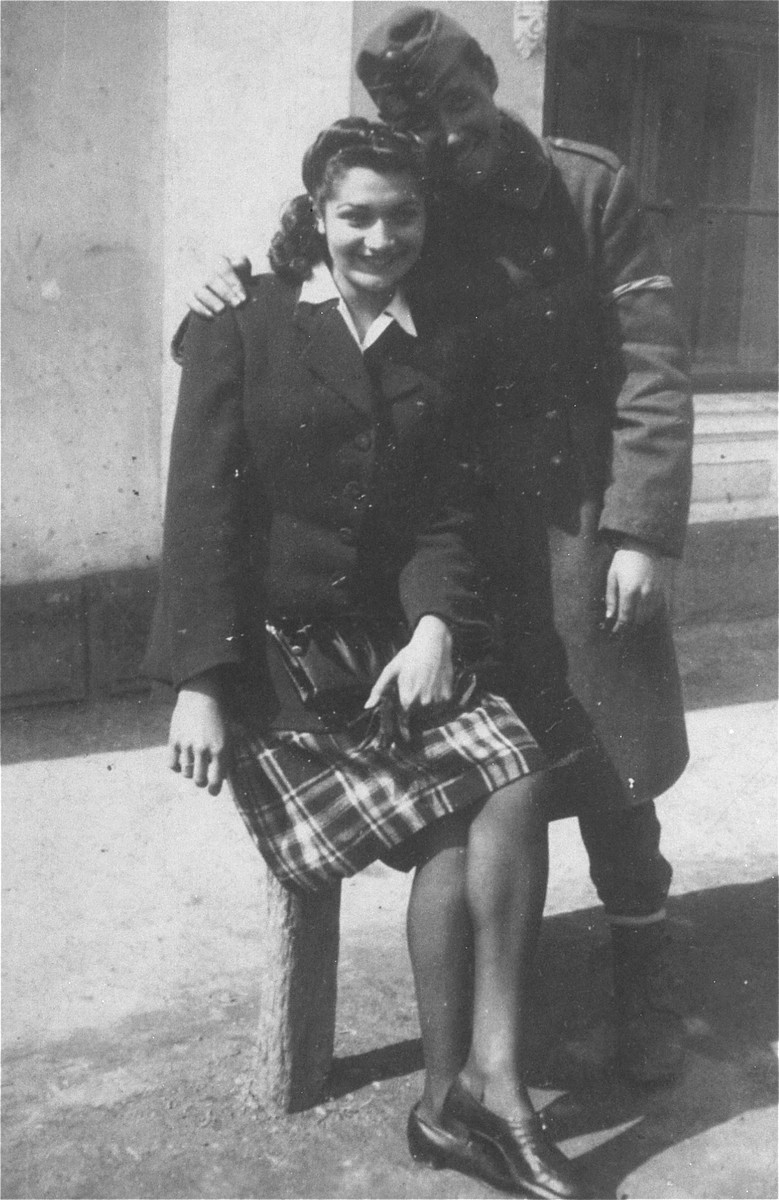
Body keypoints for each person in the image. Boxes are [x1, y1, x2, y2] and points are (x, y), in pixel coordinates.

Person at [184, 7, 695, 1087]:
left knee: (610, 760)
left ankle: (645, 982)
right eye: (427, 122)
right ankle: (480, 1022)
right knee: (501, 767)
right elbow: (292, 277)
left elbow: (651, 360)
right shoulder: (417, 201)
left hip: (575, 521)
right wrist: (211, 292)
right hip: (457, 530)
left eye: (462, 104)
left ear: (486, 80)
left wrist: (640, 529)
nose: (454, 135)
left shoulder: (586, 186)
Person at [145, 119, 596, 1198]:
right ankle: (461, 1098)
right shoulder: (243, 322)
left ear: (425, 219)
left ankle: (480, 1083)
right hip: (276, 668)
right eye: (356, 214)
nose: (379, 237)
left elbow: (447, 510)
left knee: (513, 773)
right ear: (317, 211)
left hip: (394, 650)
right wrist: (199, 686)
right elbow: (201, 506)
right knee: (462, 803)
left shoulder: (437, 332)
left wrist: (437, 624)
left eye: (402, 214)